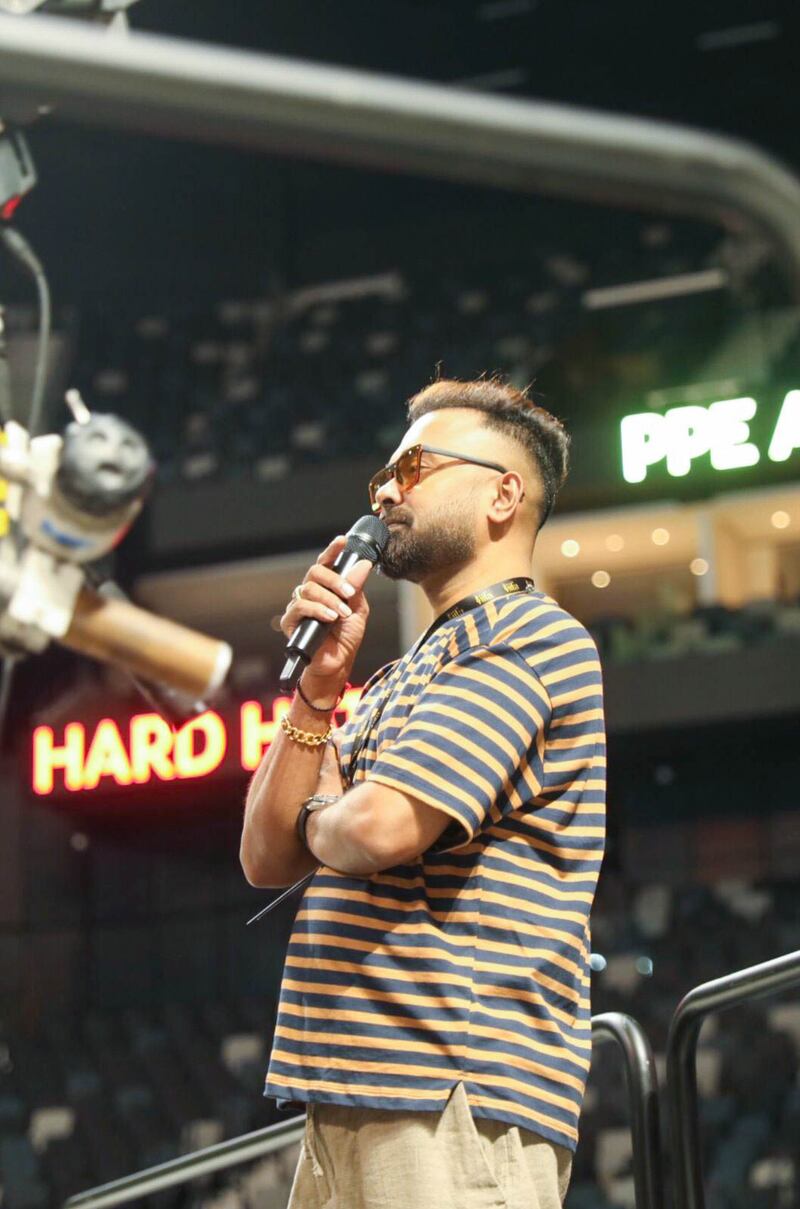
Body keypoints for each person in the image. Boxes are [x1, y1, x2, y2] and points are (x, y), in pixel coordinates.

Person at [240, 376, 606, 1209]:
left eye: (412, 470)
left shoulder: (531, 635)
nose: (383, 494)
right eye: (381, 478)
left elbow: (377, 828)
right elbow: (266, 855)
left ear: (503, 493)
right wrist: (319, 691)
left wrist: (324, 813)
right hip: (354, 1094)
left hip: (453, 1095)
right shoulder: (403, 675)